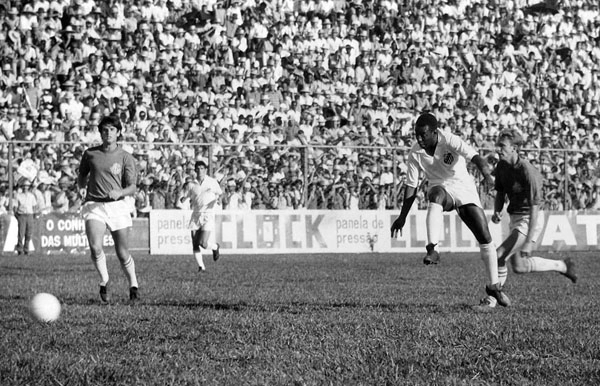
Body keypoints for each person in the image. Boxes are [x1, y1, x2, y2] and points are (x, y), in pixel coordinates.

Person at [390, 112, 509, 310]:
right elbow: (411, 186)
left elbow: (476, 157)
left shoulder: (450, 139)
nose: (419, 139)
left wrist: (488, 177)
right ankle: (432, 249)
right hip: (440, 187)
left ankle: (493, 286)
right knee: (434, 195)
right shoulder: (415, 152)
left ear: (435, 132)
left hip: (463, 187)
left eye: (423, 135)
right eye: (416, 135)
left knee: (485, 238)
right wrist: (402, 217)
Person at [479, 129, 577, 308]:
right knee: (520, 266)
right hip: (515, 218)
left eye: (503, 146)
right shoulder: (501, 166)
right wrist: (497, 211)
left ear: (515, 148)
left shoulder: (528, 171)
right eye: (498, 145)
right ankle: (563, 266)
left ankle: (491, 300)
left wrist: (529, 241)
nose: (498, 149)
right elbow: (500, 191)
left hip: (529, 219)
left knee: (499, 255)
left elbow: (535, 208)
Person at [77, 115, 139, 303]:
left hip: (118, 206)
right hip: (94, 205)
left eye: (112, 129)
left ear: (118, 132)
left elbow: (132, 187)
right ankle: (104, 280)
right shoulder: (90, 154)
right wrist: (81, 186)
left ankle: (133, 285)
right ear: (100, 133)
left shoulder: (125, 157)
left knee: (122, 253)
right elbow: (82, 174)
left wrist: (120, 192)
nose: (108, 133)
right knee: (95, 247)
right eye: (105, 130)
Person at [179, 159, 222, 272]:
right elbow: (187, 195)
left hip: (208, 214)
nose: (200, 171)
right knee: (195, 242)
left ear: (206, 170)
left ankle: (215, 247)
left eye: (202, 169)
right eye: (197, 169)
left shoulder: (212, 181)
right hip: (196, 214)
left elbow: (220, 194)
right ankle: (201, 267)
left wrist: (219, 200)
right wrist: (184, 198)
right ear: (195, 170)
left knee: (202, 243)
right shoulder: (192, 184)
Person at [14, 178, 37, 255]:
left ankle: (26, 249)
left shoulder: (31, 196)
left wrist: (34, 214)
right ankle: (20, 249)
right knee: (21, 233)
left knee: (28, 233)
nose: (25, 188)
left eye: (27, 186)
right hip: (22, 215)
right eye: (24, 186)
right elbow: (15, 207)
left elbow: (34, 206)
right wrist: (17, 214)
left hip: (30, 214)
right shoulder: (18, 196)